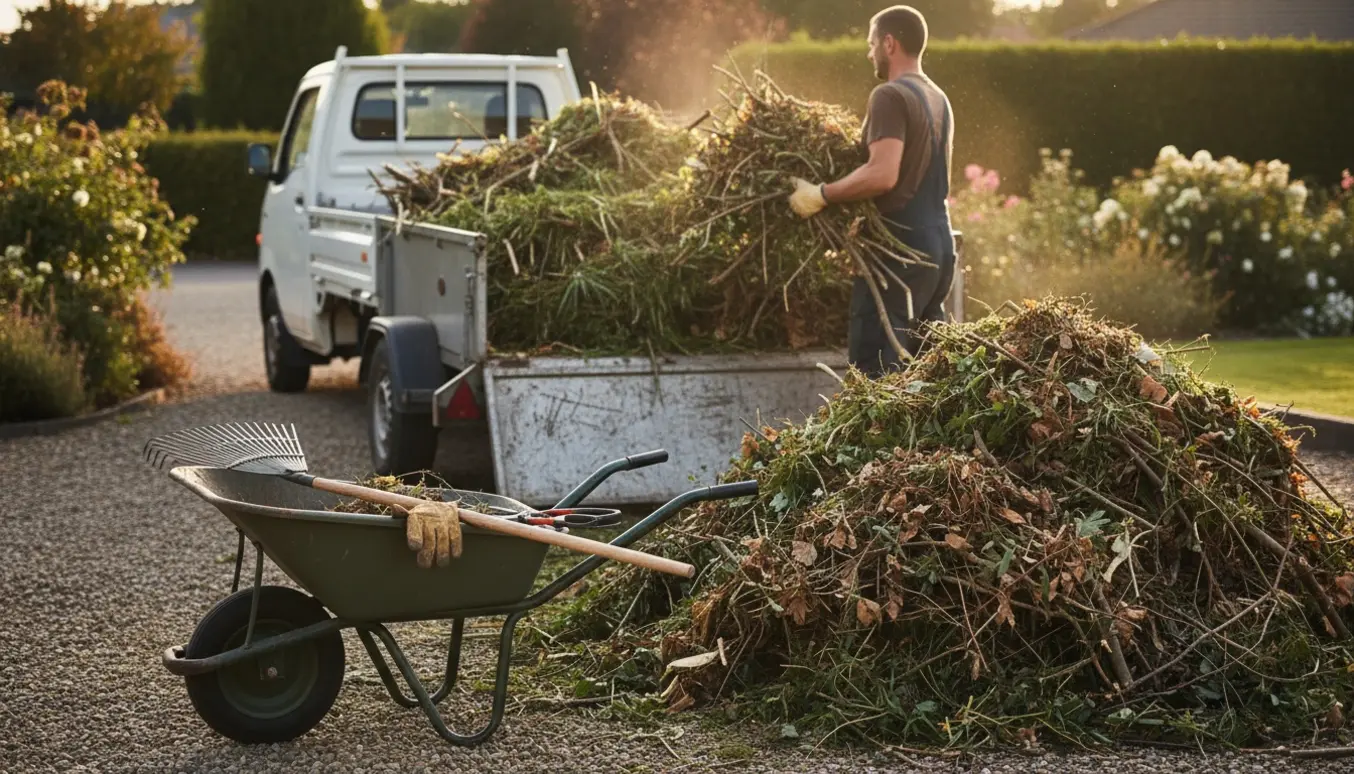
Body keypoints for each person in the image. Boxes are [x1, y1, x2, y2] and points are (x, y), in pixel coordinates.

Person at [787, 5, 956, 377]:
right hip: (940, 248)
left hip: (900, 251)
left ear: (889, 44)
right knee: (927, 378)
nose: (869, 53)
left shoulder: (889, 95)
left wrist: (822, 194)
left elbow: (882, 174)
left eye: (871, 43)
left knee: (876, 374)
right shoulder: (938, 98)